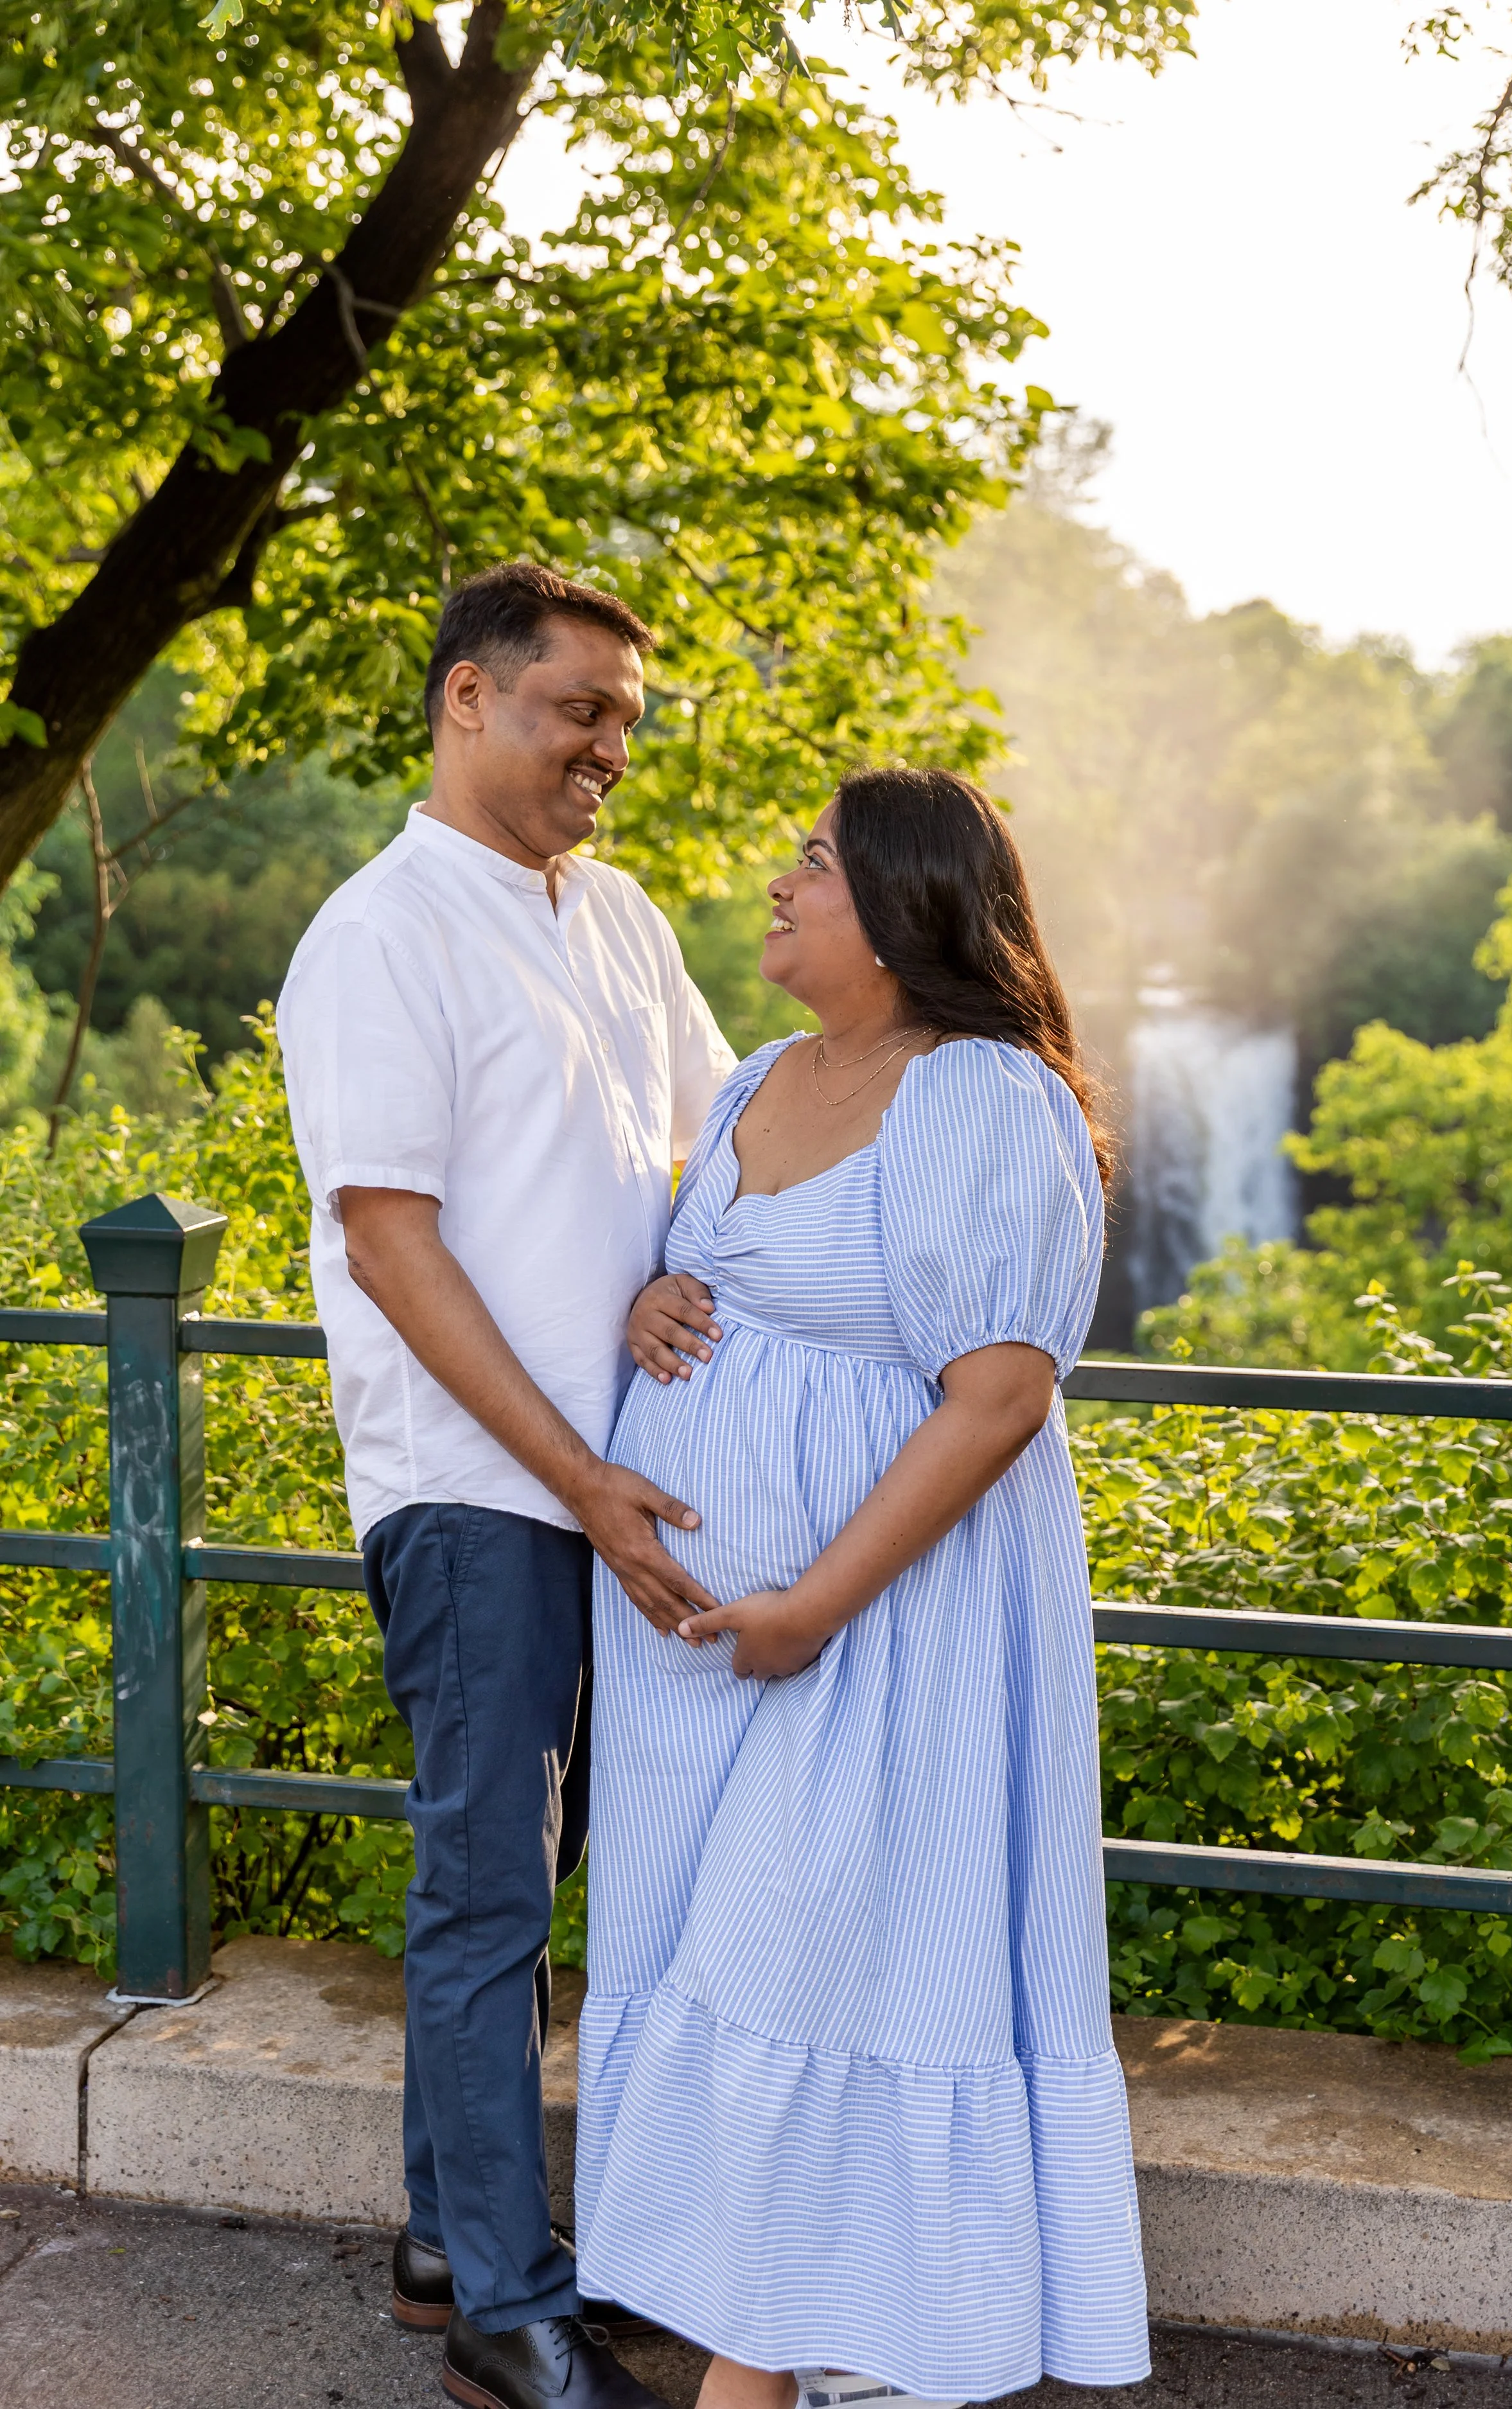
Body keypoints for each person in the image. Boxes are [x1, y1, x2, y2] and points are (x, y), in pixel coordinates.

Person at [574, 767, 1150, 2408]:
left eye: (814, 862)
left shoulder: (977, 1093)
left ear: (900, 913)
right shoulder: (761, 1072)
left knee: (798, 1976)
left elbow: (996, 1397)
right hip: (698, 1667)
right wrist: (653, 1314)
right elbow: (726, 1286)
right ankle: (811, 2346)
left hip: (879, 1639)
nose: (779, 880)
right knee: (719, 1975)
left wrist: (813, 1606)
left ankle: (766, 2372)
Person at [278, 562, 734, 2409]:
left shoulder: (616, 916)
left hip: (614, 1477)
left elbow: (704, 1142)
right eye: (578, 710)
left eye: (627, 718)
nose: (608, 747)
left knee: (539, 1870)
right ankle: (505, 2309)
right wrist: (577, 1472)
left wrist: (664, 1266)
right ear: (469, 698)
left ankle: (440, 2232)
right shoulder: (376, 934)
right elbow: (393, 1245)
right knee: (490, 1893)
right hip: (479, 1487)